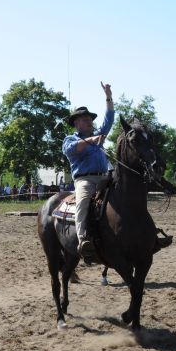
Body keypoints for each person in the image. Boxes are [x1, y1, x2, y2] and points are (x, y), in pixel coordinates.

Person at [62, 81, 115, 262]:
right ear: (76, 123)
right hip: (86, 180)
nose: (90, 122)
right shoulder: (69, 139)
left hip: (106, 176)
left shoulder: (98, 135)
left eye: (91, 119)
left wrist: (108, 96)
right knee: (83, 201)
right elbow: (73, 150)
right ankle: (83, 239)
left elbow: (109, 118)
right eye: (85, 120)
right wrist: (93, 139)